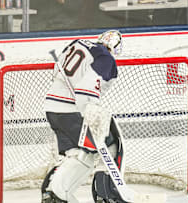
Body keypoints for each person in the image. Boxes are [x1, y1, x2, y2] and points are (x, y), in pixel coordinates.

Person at [41, 30, 126, 202]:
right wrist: (88, 110)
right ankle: (106, 194)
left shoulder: (78, 43)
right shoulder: (106, 58)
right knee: (110, 146)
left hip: (52, 108)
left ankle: (55, 194)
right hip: (71, 111)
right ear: (116, 48)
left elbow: (58, 70)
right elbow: (85, 88)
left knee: (78, 153)